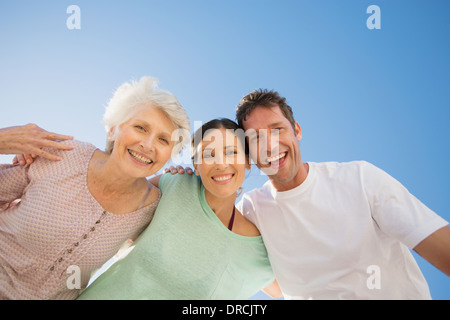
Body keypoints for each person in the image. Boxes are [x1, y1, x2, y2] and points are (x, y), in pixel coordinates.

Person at [234, 89, 450, 299]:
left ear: (297, 130)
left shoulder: (359, 178)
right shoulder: (251, 210)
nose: (270, 146)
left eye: (277, 130)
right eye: (256, 139)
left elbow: (440, 245)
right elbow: (272, 286)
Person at [0, 76, 190, 299]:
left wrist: (183, 179)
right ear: (112, 130)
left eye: (163, 140)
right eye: (140, 127)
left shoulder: (152, 208)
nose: (148, 145)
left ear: (170, 155)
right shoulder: (63, 154)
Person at [77, 118, 281, 299]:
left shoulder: (255, 248)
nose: (221, 163)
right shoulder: (173, 183)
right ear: (196, 164)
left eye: (232, 152)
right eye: (208, 154)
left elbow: (292, 291)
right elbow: (106, 207)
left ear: (247, 161)